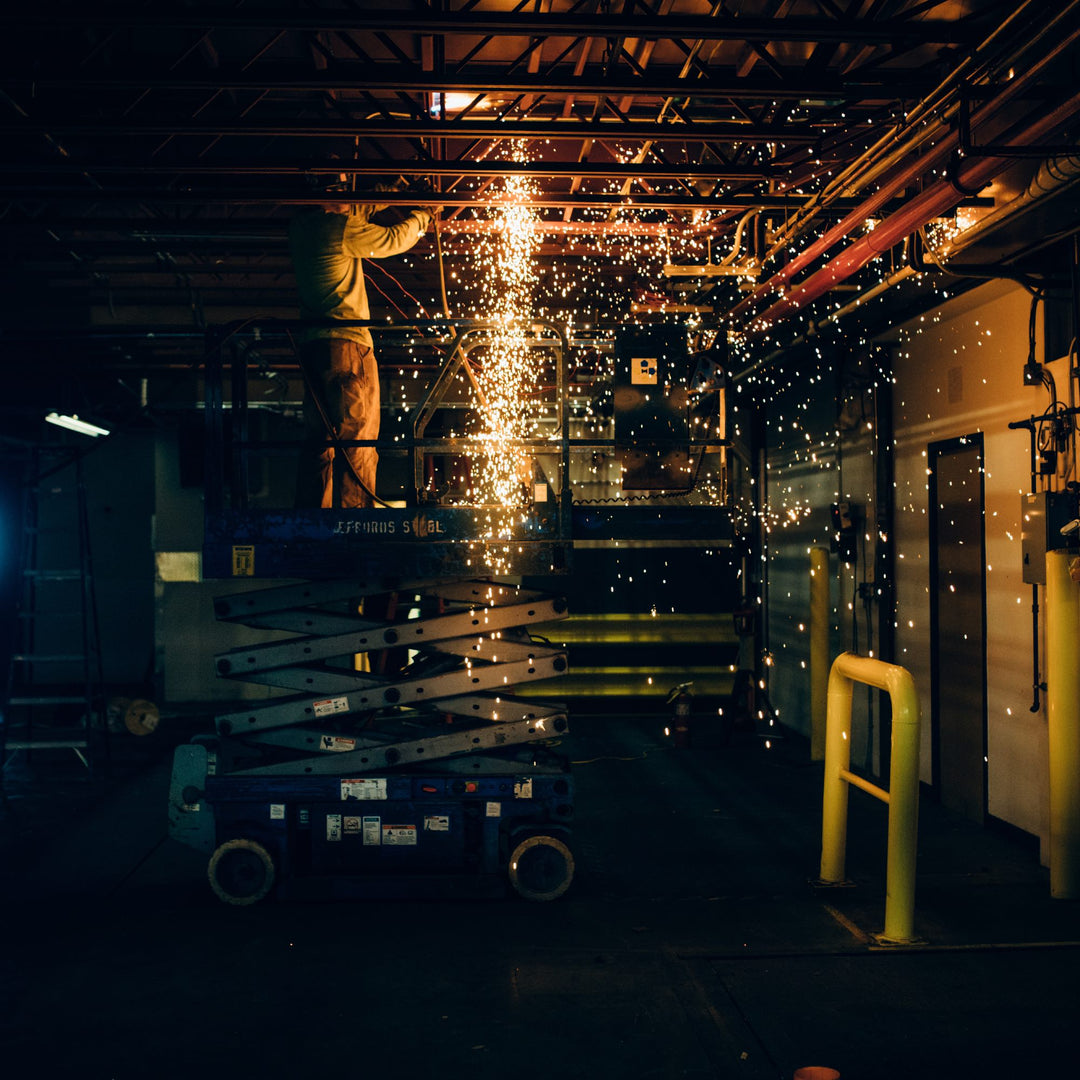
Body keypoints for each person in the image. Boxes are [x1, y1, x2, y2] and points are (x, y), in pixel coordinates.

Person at [289, 187, 435, 508]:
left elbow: (361, 207)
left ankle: (315, 516)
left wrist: (397, 186)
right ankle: (355, 522)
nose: (348, 195)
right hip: (347, 348)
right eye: (342, 188)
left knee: (320, 441)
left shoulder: (301, 225)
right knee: (357, 438)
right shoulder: (335, 227)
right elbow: (392, 239)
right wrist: (423, 215)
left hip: (314, 348)